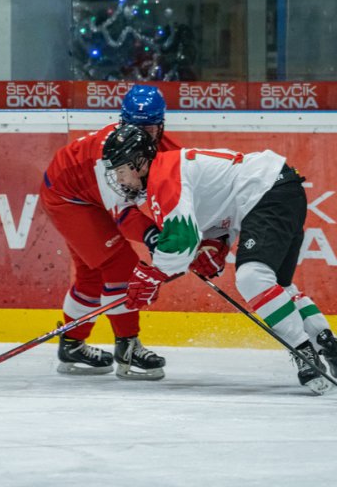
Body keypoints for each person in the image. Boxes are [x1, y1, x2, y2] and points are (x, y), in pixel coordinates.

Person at [108, 127, 337, 394]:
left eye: (120, 169)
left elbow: (182, 241)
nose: (118, 178)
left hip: (267, 192)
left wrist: (152, 274)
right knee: (280, 288)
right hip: (280, 190)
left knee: (253, 276)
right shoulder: (169, 171)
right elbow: (221, 204)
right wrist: (216, 243)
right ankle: (326, 342)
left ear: (139, 162)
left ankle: (303, 351)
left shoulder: (164, 177)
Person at [39, 85, 180, 380]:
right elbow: (125, 217)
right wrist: (156, 237)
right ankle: (128, 346)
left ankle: (72, 345)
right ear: (122, 122)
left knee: (92, 275)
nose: (141, 134)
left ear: (162, 123)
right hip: (69, 198)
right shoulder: (110, 154)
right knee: (120, 267)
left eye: (149, 127)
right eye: (134, 126)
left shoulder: (167, 148)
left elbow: (184, 191)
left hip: (86, 195)